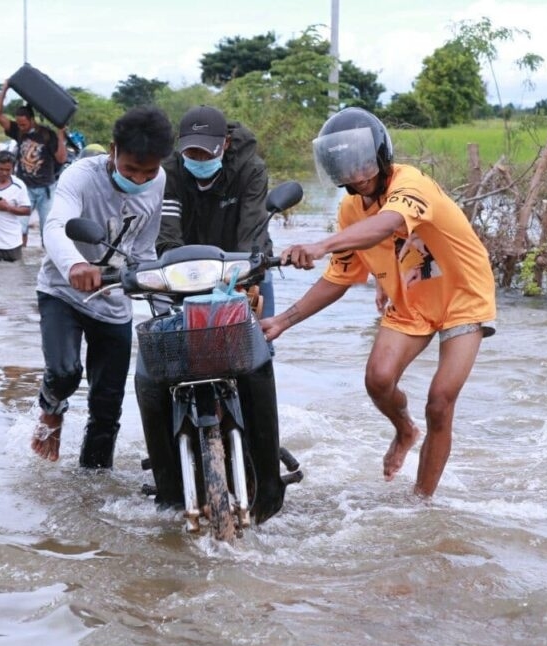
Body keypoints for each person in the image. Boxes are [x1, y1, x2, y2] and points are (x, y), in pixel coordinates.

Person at [260, 107, 496, 498]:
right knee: (378, 380)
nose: (356, 176)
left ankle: (421, 505)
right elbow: (339, 276)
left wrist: (319, 245)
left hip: (462, 296)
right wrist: (284, 320)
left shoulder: (411, 184)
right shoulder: (350, 209)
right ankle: (405, 430)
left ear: (381, 155)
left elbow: (387, 224)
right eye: (345, 168)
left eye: (363, 165)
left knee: (439, 402)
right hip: (411, 299)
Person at [31, 106, 174, 468]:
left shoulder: (158, 181)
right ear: (112, 151)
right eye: (130, 169)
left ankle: (93, 488)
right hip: (63, 291)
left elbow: (144, 246)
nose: (140, 179)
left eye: (148, 171)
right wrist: (75, 264)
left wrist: (159, 294)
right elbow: (55, 226)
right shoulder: (80, 176)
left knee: (108, 406)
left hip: (113, 300)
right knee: (64, 374)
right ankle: (51, 409)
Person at [158, 105, 276, 317]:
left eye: (206, 152)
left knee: (261, 335)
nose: (199, 159)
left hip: (241, 264)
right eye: (192, 152)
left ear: (226, 143)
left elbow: (251, 230)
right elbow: (168, 232)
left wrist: (244, 273)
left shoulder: (250, 170)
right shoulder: (169, 172)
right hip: (187, 268)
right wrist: (177, 270)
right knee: (168, 333)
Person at [0, 77, 69, 247]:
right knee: (19, 230)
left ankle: (47, 264)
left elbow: (62, 159)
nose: (21, 127)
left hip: (46, 189)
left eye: (24, 124)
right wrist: (5, 89)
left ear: (32, 120)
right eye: (18, 124)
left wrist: (61, 133)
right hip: (24, 189)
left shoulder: (48, 135)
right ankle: (20, 266)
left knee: (48, 231)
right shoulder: (18, 132)